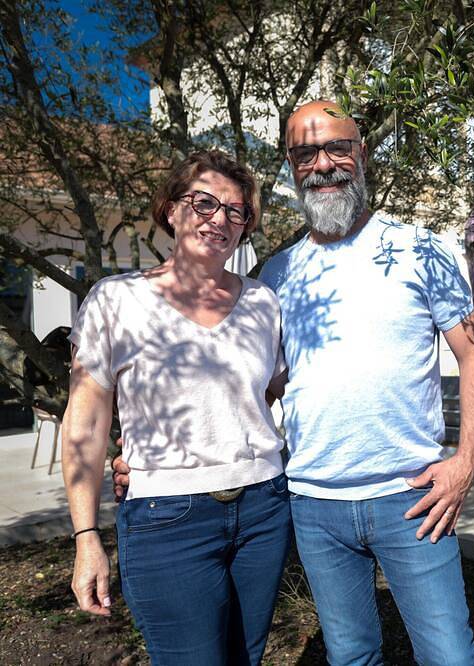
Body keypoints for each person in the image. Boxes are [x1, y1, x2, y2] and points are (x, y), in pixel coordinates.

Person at [114, 101, 474, 664]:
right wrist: (156, 454)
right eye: (305, 153)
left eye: (337, 147)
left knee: (451, 656)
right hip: (313, 504)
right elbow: (252, 387)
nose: (323, 164)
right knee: (350, 657)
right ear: (291, 168)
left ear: (361, 153)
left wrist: (466, 462)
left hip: (412, 497)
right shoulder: (275, 276)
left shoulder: (421, 248)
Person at [62, 151, 291, 665]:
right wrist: (86, 536)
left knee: (244, 659)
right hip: (167, 517)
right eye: (204, 203)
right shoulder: (114, 299)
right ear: (170, 209)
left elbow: (267, 392)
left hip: (265, 508)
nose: (220, 220)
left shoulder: (263, 303)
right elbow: (86, 422)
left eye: (236, 212)